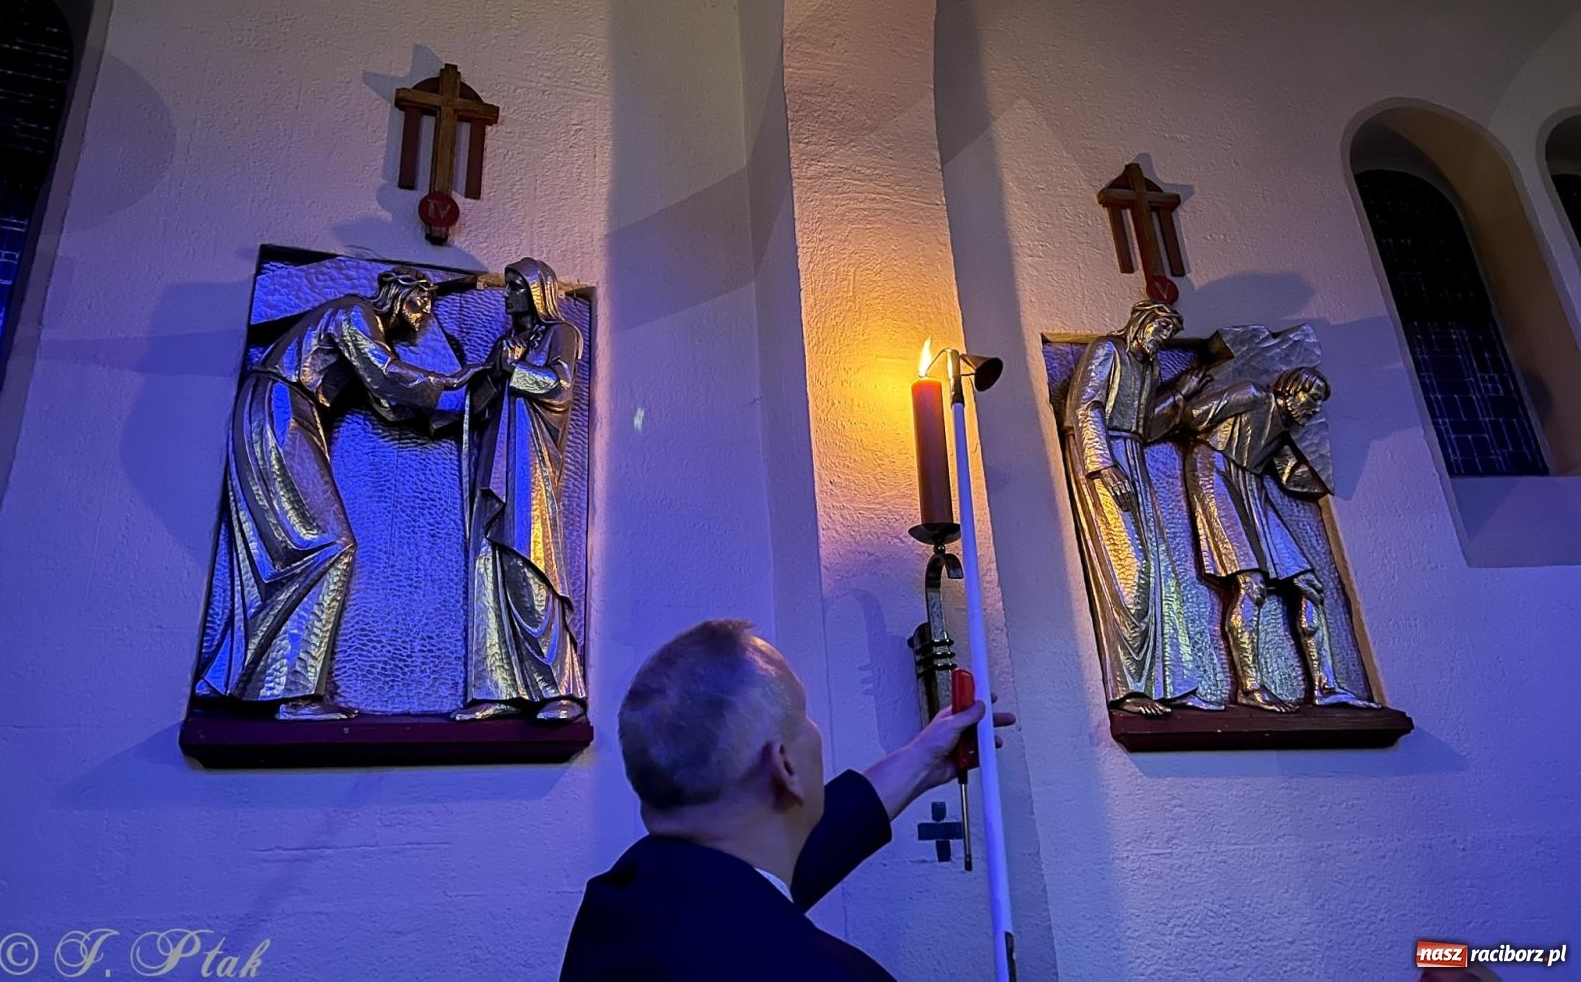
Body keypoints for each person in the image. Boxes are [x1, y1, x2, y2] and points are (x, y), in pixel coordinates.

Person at [560, 620, 1014, 981]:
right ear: (785, 765)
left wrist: (918, 760)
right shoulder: (825, 973)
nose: (814, 729)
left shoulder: (618, 904)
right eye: (804, 715)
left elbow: (746, 888)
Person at [194, 267, 481, 720]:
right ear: (399, 293)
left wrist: (460, 415)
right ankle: (294, 694)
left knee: (284, 552)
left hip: (287, 410)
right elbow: (385, 374)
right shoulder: (354, 311)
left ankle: (228, 675)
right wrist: (453, 380)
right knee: (326, 544)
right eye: (421, 300)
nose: (425, 313)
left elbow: (387, 401)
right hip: (282, 408)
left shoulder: (364, 325)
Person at [1181, 365, 1375, 711]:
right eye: (1311, 398)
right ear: (1290, 388)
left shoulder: (1284, 430)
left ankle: (1326, 686)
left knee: (1310, 585)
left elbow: (1291, 476)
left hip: (1251, 487)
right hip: (1215, 473)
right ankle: (1250, 687)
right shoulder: (1253, 394)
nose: (1314, 408)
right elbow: (1195, 416)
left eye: (1318, 403)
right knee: (1251, 585)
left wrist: (1343, 477)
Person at [1062, 299, 1216, 716]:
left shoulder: (1148, 366)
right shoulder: (1106, 350)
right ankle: (1130, 688)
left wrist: (1180, 392)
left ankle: (1175, 684)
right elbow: (1084, 407)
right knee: (1132, 568)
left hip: (1134, 458)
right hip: (1104, 460)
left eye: (1169, 336)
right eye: (1160, 331)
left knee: (1161, 569)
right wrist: (1104, 465)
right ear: (1142, 321)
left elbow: (1147, 428)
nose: (1163, 341)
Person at [454, 258, 587, 722]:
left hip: (530, 466)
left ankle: (561, 689)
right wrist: (491, 376)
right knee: (490, 568)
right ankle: (497, 686)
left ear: (538, 291)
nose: (507, 295)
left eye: (515, 287)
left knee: (529, 568)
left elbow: (561, 388)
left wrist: (515, 371)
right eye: (507, 287)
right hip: (497, 463)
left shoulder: (562, 334)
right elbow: (487, 402)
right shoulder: (506, 343)